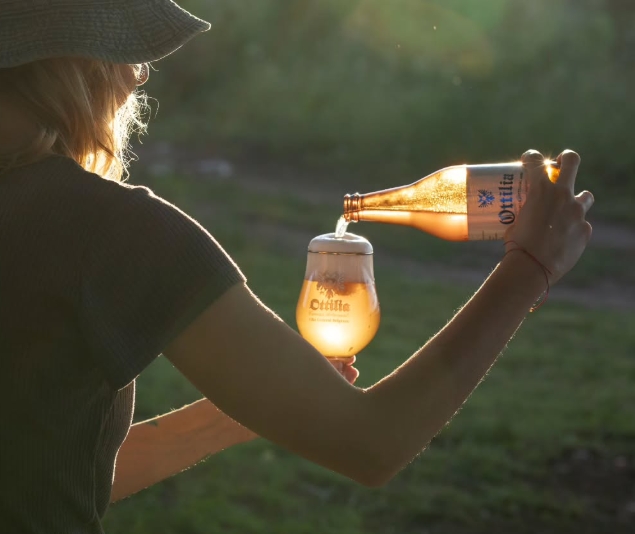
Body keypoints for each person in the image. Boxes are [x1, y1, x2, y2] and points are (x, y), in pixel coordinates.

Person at [0, 1, 594, 532]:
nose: (138, 75)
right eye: (126, 50)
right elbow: (372, 444)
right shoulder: (112, 230)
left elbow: (48, 473)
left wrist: (252, 406)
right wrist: (530, 266)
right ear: (73, 62)